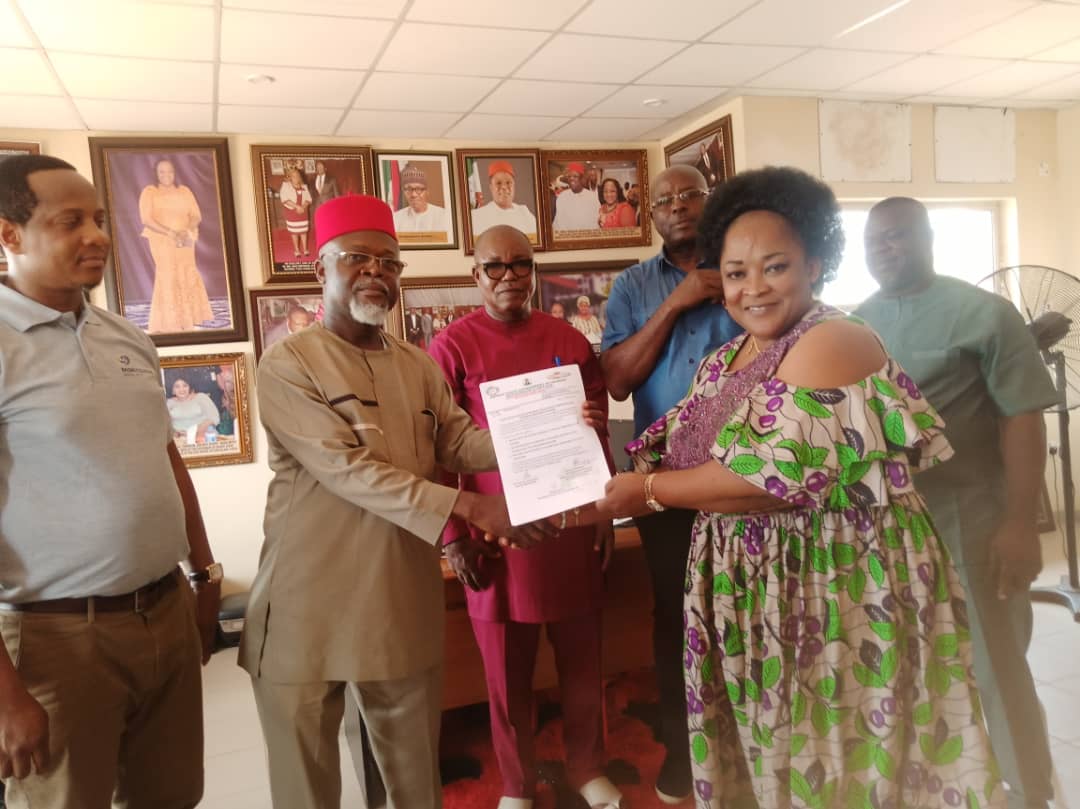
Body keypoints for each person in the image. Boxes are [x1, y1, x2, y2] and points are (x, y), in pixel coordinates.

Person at [598, 166, 1004, 808]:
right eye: (736, 273)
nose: (753, 288)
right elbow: (669, 444)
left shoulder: (832, 339)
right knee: (778, 757)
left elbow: (762, 475)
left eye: (776, 267)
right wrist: (571, 485)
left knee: (838, 760)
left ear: (815, 264)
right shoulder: (729, 356)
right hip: (765, 589)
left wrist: (644, 493)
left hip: (835, 589)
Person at [238, 194, 560, 809]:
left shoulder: (416, 364)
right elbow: (347, 470)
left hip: (397, 599)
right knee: (306, 790)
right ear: (321, 268)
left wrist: (546, 434)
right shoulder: (288, 365)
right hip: (307, 602)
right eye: (357, 258)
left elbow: (459, 441)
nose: (376, 273)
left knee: (416, 784)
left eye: (389, 263)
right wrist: (470, 509)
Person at [0, 154, 220, 808]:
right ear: (9, 234)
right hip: (57, 640)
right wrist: (6, 695)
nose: (97, 235)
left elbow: (165, 459)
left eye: (98, 218)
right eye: (70, 221)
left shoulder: (126, 336)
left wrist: (204, 574)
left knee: (173, 795)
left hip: (165, 612)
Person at [856, 197, 1056, 809]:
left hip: (973, 521)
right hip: (887, 531)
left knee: (996, 665)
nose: (883, 248)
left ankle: (1028, 790)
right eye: (873, 240)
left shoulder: (983, 315)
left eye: (897, 235)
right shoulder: (854, 325)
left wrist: (1020, 524)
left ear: (928, 237)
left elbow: (1022, 418)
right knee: (908, 670)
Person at [429, 224, 623, 809]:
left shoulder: (569, 339)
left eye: (521, 264)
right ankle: (517, 784)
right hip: (494, 535)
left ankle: (587, 767)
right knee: (505, 676)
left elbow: (596, 432)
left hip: (569, 524)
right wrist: (454, 536)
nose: (509, 276)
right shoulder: (452, 347)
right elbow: (434, 447)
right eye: (495, 266)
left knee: (583, 663)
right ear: (476, 275)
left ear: (533, 272)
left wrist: (606, 511)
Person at [600, 164, 741, 804]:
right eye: (664, 200)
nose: (678, 206)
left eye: (690, 195)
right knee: (675, 618)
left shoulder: (742, 267)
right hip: (661, 481)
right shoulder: (632, 286)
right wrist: (678, 301)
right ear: (651, 214)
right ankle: (685, 753)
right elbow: (617, 380)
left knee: (742, 611)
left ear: (710, 202)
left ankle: (748, 742)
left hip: (742, 476)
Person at [139, 157, 213, 334]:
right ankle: (169, 321)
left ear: (175, 173)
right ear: (156, 174)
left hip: (185, 238)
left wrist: (186, 230)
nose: (166, 175)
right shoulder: (150, 192)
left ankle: (187, 318)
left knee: (186, 272)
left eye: (170, 171)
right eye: (162, 171)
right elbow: (146, 219)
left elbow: (196, 215)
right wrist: (170, 232)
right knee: (168, 275)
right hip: (163, 240)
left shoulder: (184, 191)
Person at [471, 161, 538, 239]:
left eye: (508, 182)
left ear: (514, 185)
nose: (504, 187)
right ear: (491, 187)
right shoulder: (478, 216)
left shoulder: (524, 212)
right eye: (498, 183)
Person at [392, 164, 451, 237]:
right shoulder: (396, 218)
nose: (413, 194)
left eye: (418, 189)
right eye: (409, 189)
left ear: (427, 191)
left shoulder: (444, 216)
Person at [167, 375, 221, 445]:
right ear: (172, 390)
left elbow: (214, 417)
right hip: (180, 440)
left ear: (190, 387)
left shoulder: (201, 397)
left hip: (203, 436)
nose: (182, 389)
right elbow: (165, 424)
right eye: (177, 386)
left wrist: (196, 432)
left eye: (185, 385)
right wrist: (176, 433)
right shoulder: (169, 402)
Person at [552, 162, 600, 232]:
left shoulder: (591, 197)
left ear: (582, 178)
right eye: (569, 176)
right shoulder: (562, 197)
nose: (571, 179)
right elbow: (558, 221)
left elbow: (596, 220)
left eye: (575, 176)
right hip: (567, 235)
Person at [279, 165, 313, 258]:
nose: (296, 177)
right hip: (292, 212)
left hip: (303, 212)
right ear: (290, 177)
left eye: (297, 175)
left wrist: (302, 207)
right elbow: (284, 199)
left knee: (303, 231)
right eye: (294, 176)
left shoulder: (304, 186)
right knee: (294, 232)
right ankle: (297, 250)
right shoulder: (286, 186)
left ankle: (305, 249)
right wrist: (297, 207)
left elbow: (309, 199)